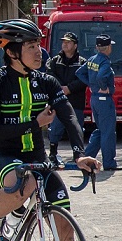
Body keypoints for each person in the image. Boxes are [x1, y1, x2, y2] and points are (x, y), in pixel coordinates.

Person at [0, 19, 103, 241]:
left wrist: (80, 153)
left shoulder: (46, 81)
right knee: (25, 183)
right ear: (12, 52)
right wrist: (33, 123)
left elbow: (69, 115)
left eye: (38, 45)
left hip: (37, 159)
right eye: (31, 46)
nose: (39, 52)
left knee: (64, 224)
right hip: (1, 154)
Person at [76, 35, 119, 171]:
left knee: (101, 130)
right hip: (104, 99)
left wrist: (91, 85)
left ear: (96, 47)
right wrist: (103, 87)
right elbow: (101, 76)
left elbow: (79, 73)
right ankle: (109, 163)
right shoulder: (105, 62)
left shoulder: (92, 60)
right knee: (108, 132)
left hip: (94, 98)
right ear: (108, 48)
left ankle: (88, 158)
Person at [45, 32, 87, 164]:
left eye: (68, 42)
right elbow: (49, 76)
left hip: (76, 102)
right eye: (63, 41)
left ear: (75, 45)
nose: (65, 44)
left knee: (76, 128)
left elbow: (83, 79)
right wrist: (60, 88)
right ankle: (53, 153)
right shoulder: (54, 60)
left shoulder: (82, 62)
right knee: (56, 128)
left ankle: (78, 154)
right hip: (58, 101)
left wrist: (69, 88)